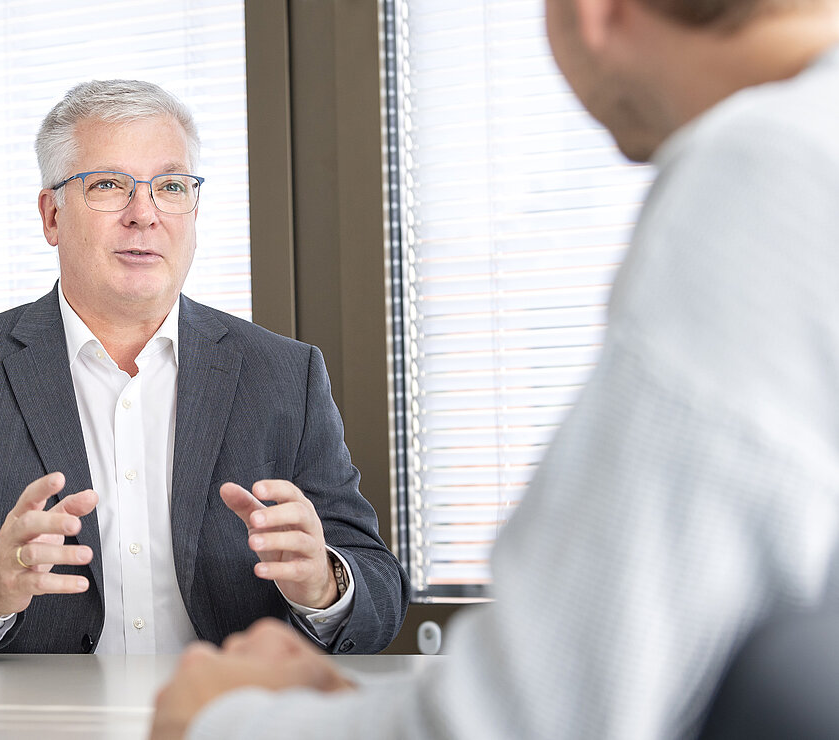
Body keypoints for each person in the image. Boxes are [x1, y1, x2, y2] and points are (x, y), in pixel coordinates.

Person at [152, 0, 839, 737]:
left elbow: (534, 720)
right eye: (106, 186)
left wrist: (223, 720)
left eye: (170, 186)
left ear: (596, 14)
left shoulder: (767, 172)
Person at [0, 80, 408, 656]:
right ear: (52, 215)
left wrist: (324, 584)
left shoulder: (284, 374)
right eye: (109, 185)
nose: (144, 215)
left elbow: (379, 587)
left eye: (171, 187)